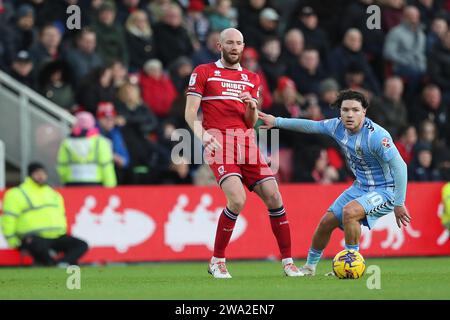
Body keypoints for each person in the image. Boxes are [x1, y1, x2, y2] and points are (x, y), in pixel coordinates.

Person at [185, 28, 303, 278]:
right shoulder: (203, 72)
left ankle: (288, 262)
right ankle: (217, 260)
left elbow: (251, 123)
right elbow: (190, 112)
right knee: (237, 199)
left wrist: (251, 106)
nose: (235, 47)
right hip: (219, 142)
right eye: (229, 43)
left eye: (239, 43)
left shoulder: (252, 78)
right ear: (220, 45)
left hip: (247, 143)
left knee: (274, 196)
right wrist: (203, 135)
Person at [258, 90, 410, 276]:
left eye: (355, 110)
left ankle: (350, 266)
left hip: (387, 190)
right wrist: (277, 122)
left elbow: (400, 167)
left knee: (350, 212)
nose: (349, 114)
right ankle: (309, 267)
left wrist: (399, 203)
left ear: (364, 112)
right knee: (326, 222)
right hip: (361, 187)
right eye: (345, 110)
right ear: (340, 112)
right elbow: (310, 126)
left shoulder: (377, 136)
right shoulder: (336, 126)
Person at [1, 162, 88, 266]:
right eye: (37, 173)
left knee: (81, 245)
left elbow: (61, 216)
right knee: (37, 246)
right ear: (29, 175)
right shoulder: (17, 193)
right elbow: (9, 218)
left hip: (56, 236)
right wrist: (14, 242)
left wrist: (63, 232)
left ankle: (61, 263)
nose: (41, 176)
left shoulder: (53, 193)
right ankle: (53, 264)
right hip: (34, 237)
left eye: (43, 173)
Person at [57, 111, 117, 187]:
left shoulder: (66, 142)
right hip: (96, 184)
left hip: (72, 184)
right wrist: (110, 185)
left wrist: (65, 181)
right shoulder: (100, 142)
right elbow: (106, 165)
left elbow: (62, 165)